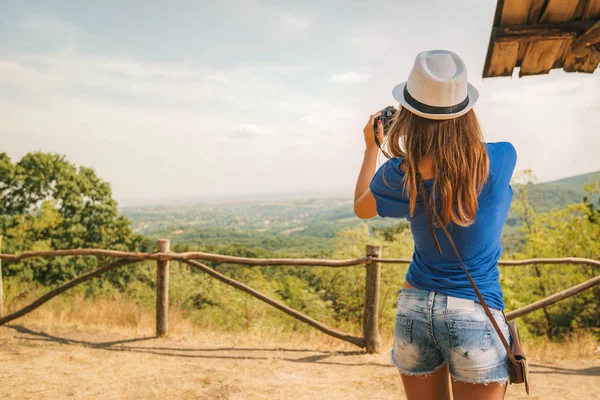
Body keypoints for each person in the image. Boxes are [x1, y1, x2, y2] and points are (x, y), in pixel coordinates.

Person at [353, 49, 517, 400]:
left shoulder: (400, 174)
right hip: (474, 311)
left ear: (409, 115)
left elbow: (361, 208)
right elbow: (462, 161)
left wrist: (372, 147)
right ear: (465, 110)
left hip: (414, 308)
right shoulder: (500, 158)